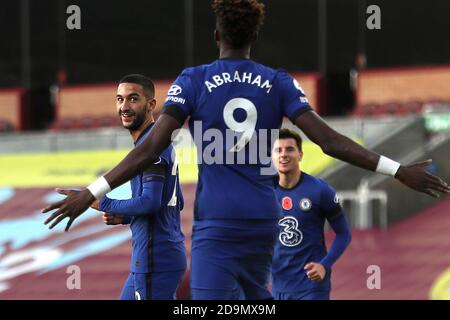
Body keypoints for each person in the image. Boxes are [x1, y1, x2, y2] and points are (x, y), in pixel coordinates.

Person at [43, 0, 449, 300]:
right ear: (255, 36)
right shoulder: (278, 82)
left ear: (216, 37)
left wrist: (91, 192)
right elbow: (328, 141)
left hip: (217, 225)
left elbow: (150, 148)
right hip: (262, 221)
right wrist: (398, 170)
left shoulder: (194, 79)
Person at [87, 74, 186, 300]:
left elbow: (150, 202)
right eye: (119, 99)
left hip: (155, 261)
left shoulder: (150, 148)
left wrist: (103, 202)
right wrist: (125, 217)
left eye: (133, 99)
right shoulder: (153, 142)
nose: (124, 106)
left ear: (151, 104)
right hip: (156, 258)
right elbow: (176, 201)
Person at [271, 129, 351, 300]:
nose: (283, 154)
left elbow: (344, 234)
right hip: (278, 287)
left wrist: (325, 265)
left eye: (289, 149)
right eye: (279, 150)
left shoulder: (320, 190)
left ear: (300, 155)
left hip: (311, 287)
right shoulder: (263, 193)